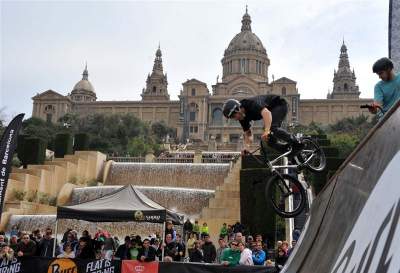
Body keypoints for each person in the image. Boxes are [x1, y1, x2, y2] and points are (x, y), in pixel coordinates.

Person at [223, 96, 304, 155]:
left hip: (279, 105)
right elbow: (248, 134)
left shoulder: (250, 104)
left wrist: (267, 130)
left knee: (272, 128)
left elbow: (266, 113)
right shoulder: (242, 118)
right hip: (271, 112)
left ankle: (297, 142)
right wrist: (247, 148)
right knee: (270, 141)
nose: (235, 119)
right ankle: (289, 152)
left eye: (233, 116)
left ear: (237, 109)